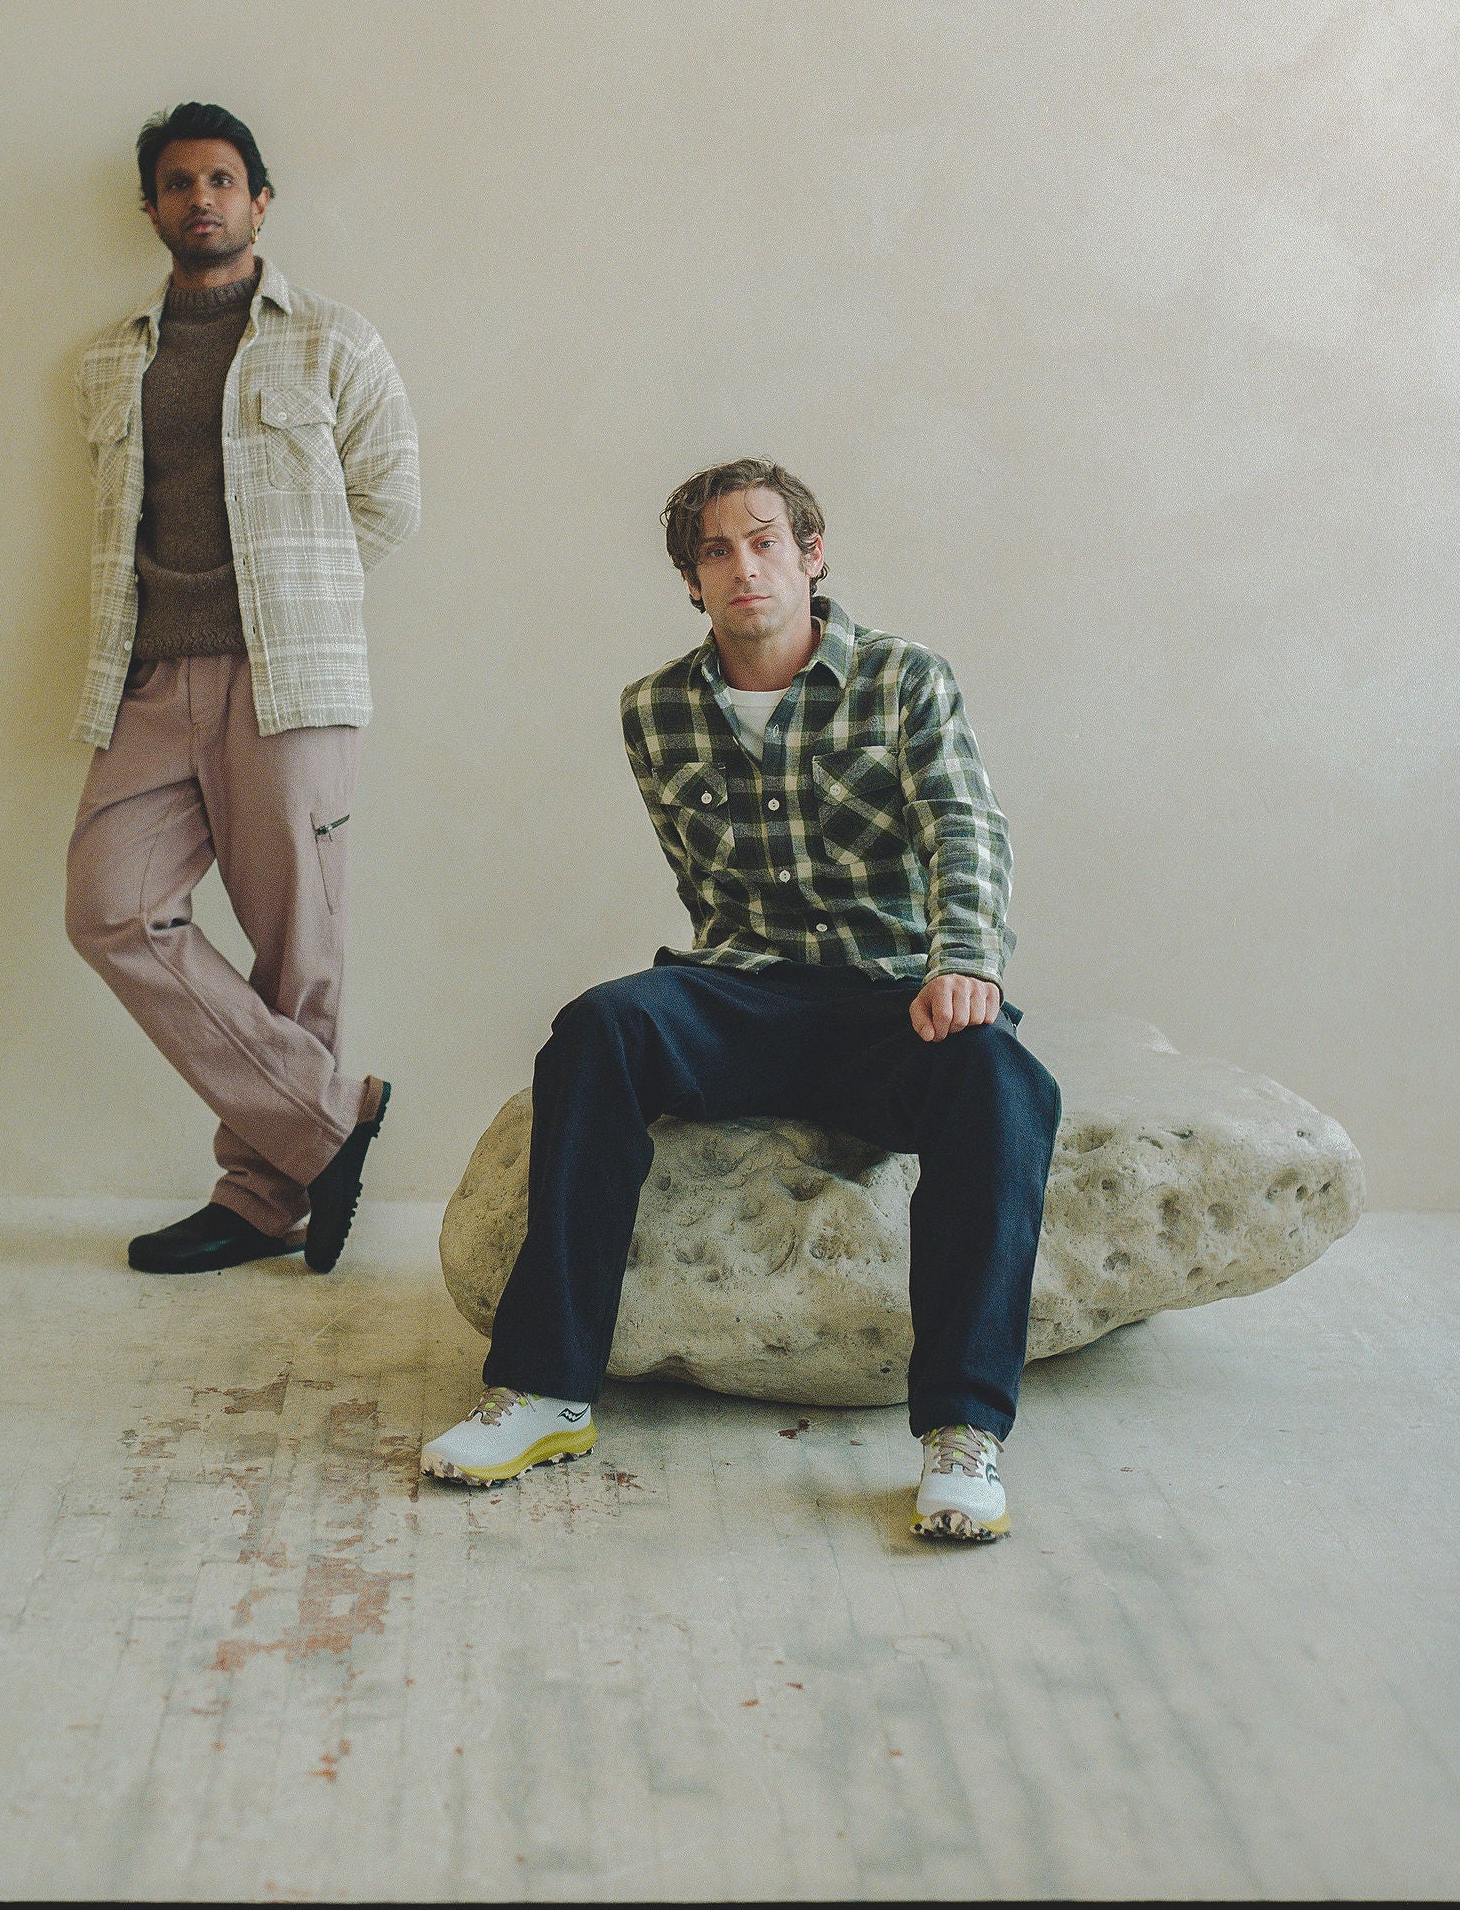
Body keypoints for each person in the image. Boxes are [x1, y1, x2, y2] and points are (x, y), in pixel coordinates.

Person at [420, 460, 1060, 1540]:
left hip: (892, 998)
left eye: (764, 540)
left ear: (812, 554)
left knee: (1001, 1077)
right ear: (690, 580)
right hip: (742, 990)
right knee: (601, 1028)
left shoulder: (905, 680)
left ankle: (960, 1434)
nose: (743, 566)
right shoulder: (654, 711)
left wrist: (965, 960)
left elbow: (965, 826)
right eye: (714, 551)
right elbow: (702, 880)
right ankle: (541, 1393)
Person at [65, 104, 418, 1277]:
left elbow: (387, 502)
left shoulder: (332, 341)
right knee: (109, 903)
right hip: (152, 677)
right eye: (177, 183)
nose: (200, 198)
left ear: (260, 201)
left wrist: (296, 599)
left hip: (291, 674)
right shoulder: (114, 357)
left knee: (291, 946)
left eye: (222, 179)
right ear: (152, 208)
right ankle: (329, 1123)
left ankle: (264, 1196)